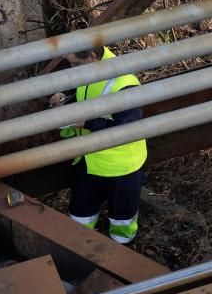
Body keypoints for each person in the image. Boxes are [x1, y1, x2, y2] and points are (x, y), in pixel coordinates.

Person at [49, 45, 147, 245]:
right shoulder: (90, 69)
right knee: (80, 215)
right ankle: (79, 249)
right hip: (90, 160)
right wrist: (64, 98)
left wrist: (85, 123)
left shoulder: (124, 82)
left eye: (75, 63)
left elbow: (127, 126)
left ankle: (123, 254)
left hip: (121, 167)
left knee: (123, 220)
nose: (72, 67)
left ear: (93, 56)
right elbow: (87, 95)